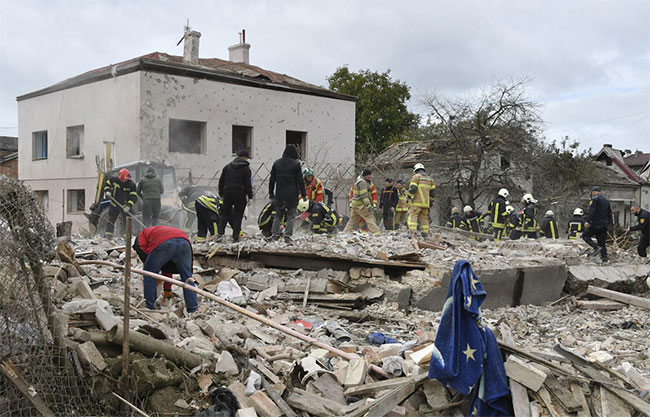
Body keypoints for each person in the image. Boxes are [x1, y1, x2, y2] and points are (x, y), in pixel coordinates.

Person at [132, 226, 198, 313]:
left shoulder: (141, 237)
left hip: (164, 243)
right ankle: (193, 309)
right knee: (187, 277)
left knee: (149, 274)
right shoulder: (155, 233)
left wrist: (151, 269)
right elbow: (167, 267)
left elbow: (145, 257)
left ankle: (149, 306)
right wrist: (167, 289)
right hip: (184, 242)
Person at [269, 144, 306, 243]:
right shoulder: (296, 164)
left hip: (280, 194)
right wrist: (304, 194)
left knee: (278, 215)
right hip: (292, 194)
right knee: (291, 216)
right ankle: (287, 237)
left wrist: (271, 193)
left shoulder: (277, 163)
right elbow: (300, 181)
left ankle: (275, 235)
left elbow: (272, 180)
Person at [218, 150, 253, 242]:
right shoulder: (246, 169)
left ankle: (220, 234)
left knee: (225, 214)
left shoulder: (227, 167)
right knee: (238, 216)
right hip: (240, 194)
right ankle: (236, 237)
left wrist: (221, 193)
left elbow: (221, 181)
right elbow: (248, 184)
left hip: (227, 193)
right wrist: (250, 196)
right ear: (244, 157)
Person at [343, 169, 380, 234]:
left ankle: (345, 232)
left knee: (352, 220)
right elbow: (364, 195)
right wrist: (368, 205)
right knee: (368, 217)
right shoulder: (363, 182)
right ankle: (376, 231)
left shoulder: (359, 181)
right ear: (365, 175)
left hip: (355, 204)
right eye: (369, 175)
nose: (370, 176)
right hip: (360, 205)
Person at [103, 168, 138, 238]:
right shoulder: (114, 180)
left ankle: (125, 237)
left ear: (127, 178)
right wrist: (107, 191)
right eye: (121, 180)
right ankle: (108, 236)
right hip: (114, 204)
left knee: (126, 222)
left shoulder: (131, 184)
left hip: (124, 206)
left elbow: (133, 197)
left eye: (123, 180)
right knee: (111, 220)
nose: (122, 181)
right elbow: (106, 184)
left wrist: (129, 206)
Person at [583, 186, 612, 263]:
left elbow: (592, 211)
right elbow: (609, 212)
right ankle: (605, 260)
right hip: (604, 224)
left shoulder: (594, 199)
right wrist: (609, 223)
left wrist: (587, 221)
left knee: (585, 235)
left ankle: (596, 247)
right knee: (602, 242)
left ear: (593, 191)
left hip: (596, 223)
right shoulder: (606, 200)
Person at [407, 163, 436, 238]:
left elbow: (413, 188)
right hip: (426, 204)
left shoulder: (416, 177)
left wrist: (408, 196)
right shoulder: (430, 179)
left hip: (417, 203)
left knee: (413, 217)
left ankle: (412, 233)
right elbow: (433, 193)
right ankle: (425, 233)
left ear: (415, 170)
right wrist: (431, 202)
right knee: (424, 219)